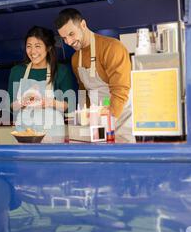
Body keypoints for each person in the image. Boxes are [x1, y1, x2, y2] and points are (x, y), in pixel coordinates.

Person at [55, 8, 135, 143]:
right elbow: (83, 91)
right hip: (98, 119)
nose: (68, 42)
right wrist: (83, 118)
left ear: (83, 25)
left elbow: (120, 91)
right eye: (64, 38)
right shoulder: (75, 58)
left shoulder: (112, 48)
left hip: (121, 117)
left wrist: (107, 123)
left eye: (71, 34)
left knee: (122, 159)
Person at [8, 26, 76, 139]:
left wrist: (50, 103)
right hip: (24, 134)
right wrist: (22, 102)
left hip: (53, 134)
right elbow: (10, 106)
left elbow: (70, 106)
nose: (32, 51)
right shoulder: (17, 71)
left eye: (37, 46)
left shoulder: (61, 71)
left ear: (48, 48)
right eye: (29, 46)